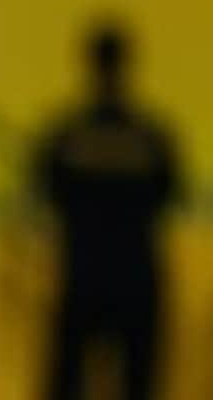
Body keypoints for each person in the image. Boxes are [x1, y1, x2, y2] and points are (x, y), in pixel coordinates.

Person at [36, 21, 179, 400]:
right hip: (136, 276)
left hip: (83, 273)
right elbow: (167, 195)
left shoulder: (68, 135)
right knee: (139, 383)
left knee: (65, 382)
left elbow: (48, 191)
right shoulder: (150, 137)